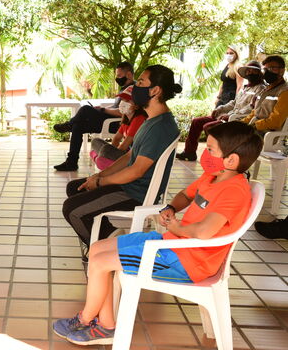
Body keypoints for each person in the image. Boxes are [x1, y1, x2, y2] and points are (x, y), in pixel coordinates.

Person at [53, 121, 263, 346]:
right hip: (170, 245)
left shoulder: (233, 191)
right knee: (97, 249)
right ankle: (104, 324)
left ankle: (88, 321)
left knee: (102, 263)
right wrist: (171, 208)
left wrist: (177, 228)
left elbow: (204, 231)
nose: (204, 154)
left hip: (187, 260)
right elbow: (185, 194)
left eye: (210, 150)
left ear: (231, 160)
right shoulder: (213, 177)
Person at [63, 65, 181, 245]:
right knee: (75, 187)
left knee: (72, 210)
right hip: (130, 186)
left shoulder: (160, 127)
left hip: (135, 193)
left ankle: (105, 248)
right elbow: (129, 156)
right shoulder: (152, 120)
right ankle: (110, 234)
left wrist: (102, 182)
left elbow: (136, 171)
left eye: (141, 82)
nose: (135, 87)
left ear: (155, 90)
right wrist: (100, 175)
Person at [53, 61, 135, 171]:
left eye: (119, 75)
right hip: (109, 119)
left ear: (129, 75)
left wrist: (103, 109)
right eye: (116, 75)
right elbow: (117, 106)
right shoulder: (124, 88)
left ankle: (68, 125)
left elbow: (123, 112)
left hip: (116, 124)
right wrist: (103, 108)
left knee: (85, 109)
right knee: (78, 126)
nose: (117, 78)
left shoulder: (132, 89)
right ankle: (71, 162)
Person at [176, 60, 265, 161]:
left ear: (259, 73)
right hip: (228, 115)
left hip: (238, 120)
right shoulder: (245, 88)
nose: (250, 73)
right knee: (197, 121)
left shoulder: (261, 89)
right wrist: (219, 109)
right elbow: (234, 103)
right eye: (248, 71)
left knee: (209, 127)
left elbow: (251, 108)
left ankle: (218, 157)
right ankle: (189, 152)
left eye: (254, 71)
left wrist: (229, 115)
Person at [89, 86, 147, 170]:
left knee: (105, 149)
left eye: (127, 101)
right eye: (122, 100)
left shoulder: (139, 119)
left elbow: (124, 146)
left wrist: (110, 153)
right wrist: (109, 153)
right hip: (124, 153)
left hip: (132, 157)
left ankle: (102, 160)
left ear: (136, 106)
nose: (123, 103)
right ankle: (104, 160)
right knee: (95, 141)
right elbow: (116, 138)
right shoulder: (126, 119)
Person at [241, 55, 288, 134]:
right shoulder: (264, 90)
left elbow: (275, 121)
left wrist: (254, 126)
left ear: (282, 70)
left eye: (272, 68)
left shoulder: (284, 91)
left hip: (267, 134)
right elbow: (255, 112)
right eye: (265, 69)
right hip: (254, 129)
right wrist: (241, 123)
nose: (268, 72)